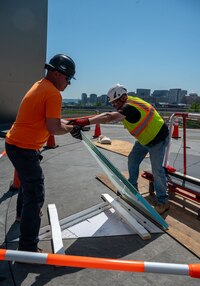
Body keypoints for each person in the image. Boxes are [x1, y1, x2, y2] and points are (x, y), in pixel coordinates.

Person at [5, 54, 82, 252]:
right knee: (35, 193)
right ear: (57, 74)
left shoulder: (41, 85)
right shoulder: (53, 94)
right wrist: (71, 129)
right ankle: (28, 249)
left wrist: (70, 124)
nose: (68, 83)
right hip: (24, 148)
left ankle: (22, 215)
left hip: (16, 144)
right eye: (68, 78)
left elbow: (52, 121)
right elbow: (54, 127)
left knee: (26, 183)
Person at [70, 83, 170, 215]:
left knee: (157, 170)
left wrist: (85, 121)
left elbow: (109, 117)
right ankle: (132, 189)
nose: (113, 105)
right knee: (133, 160)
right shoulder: (130, 101)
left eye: (114, 102)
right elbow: (112, 115)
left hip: (158, 139)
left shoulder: (129, 107)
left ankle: (163, 202)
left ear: (122, 98)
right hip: (145, 139)